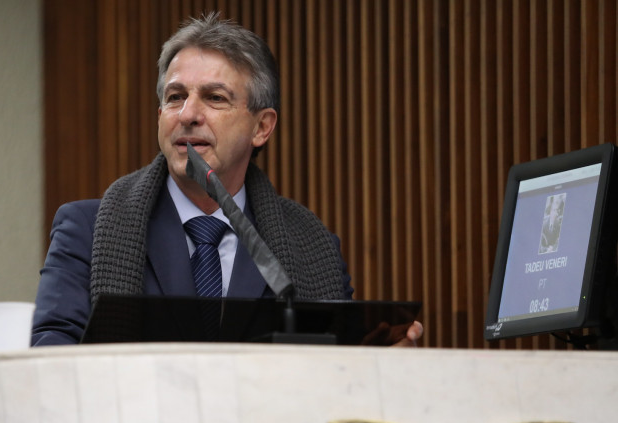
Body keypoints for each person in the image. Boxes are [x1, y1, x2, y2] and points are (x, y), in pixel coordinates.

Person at [32, 13, 423, 346]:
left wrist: (375, 370)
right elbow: (51, 359)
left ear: (262, 127)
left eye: (214, 98)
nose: (187, 114)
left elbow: (334, 372)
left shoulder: (312, 247)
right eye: (175, 97)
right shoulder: (87, 229)